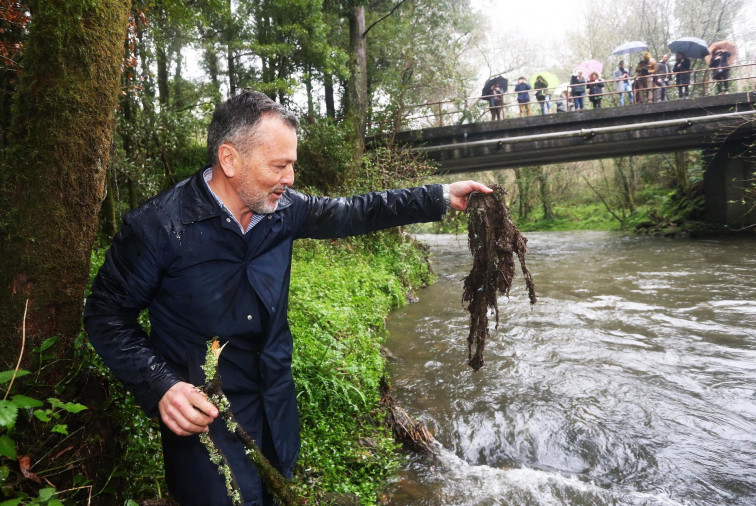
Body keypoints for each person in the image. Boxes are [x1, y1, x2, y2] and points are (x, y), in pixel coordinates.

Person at [83, 90, 492, 505]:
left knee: (277, 491)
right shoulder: (158, 227)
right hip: (206, 424)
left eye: (292, 164)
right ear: (230, 159)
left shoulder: (283, 209)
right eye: (279, 165)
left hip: (276, 402)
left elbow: (354, 212)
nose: (290, 178)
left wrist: (439, 196)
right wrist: (163, 387)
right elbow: (105, 316)